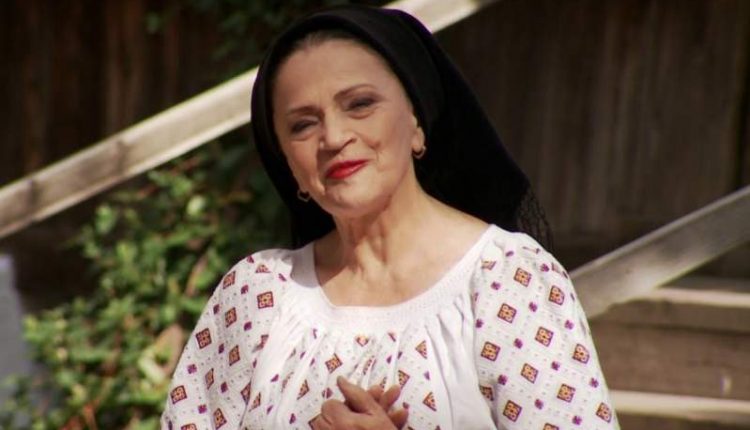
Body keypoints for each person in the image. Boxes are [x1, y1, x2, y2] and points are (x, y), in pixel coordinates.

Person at [161, 5, 619, 429]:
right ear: (288, 166)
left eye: (360, 104)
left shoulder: (505, 280)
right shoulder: (256, 295)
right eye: (303, 124)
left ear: (416, 122)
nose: (333, 137)